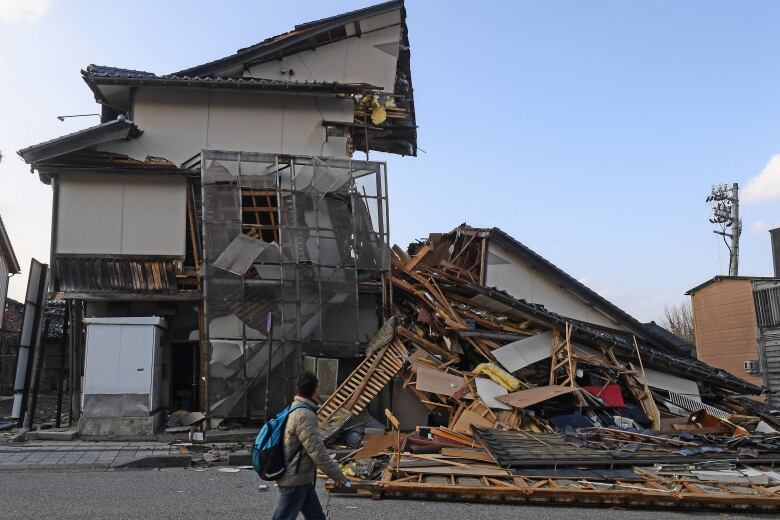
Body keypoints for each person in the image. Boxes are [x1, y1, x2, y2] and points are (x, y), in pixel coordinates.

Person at [272, 371, 349, 520]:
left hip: (302, 479)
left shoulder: (295, 407)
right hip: (295, 480)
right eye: (318, 388)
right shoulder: (304, 415)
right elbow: (317, 451)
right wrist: (337, 476)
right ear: (314, 390)